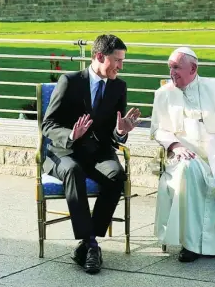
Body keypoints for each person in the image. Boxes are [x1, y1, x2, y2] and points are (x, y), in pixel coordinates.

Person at [42, 34, 141, 274]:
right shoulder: (70, 81)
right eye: (117, 60)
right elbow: (48, 125)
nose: (121, 66)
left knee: (117, 175)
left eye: (122, 61)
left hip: (98, 152)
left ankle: (86, 243)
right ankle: (93, 245)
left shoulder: (119, 87)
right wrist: (72, 135)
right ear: (99, 56)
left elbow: (116, 131)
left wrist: (120, 131)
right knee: (73, 171)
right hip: (64, 153)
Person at [151, 47, 215, 262]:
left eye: (176, 67)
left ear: (193, 68)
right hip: (184, 155)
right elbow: (159, 129)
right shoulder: (164, 94)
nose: (172, 72)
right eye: (170, 67)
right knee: (188, 172)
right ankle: (189, 245)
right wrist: (175, 145)